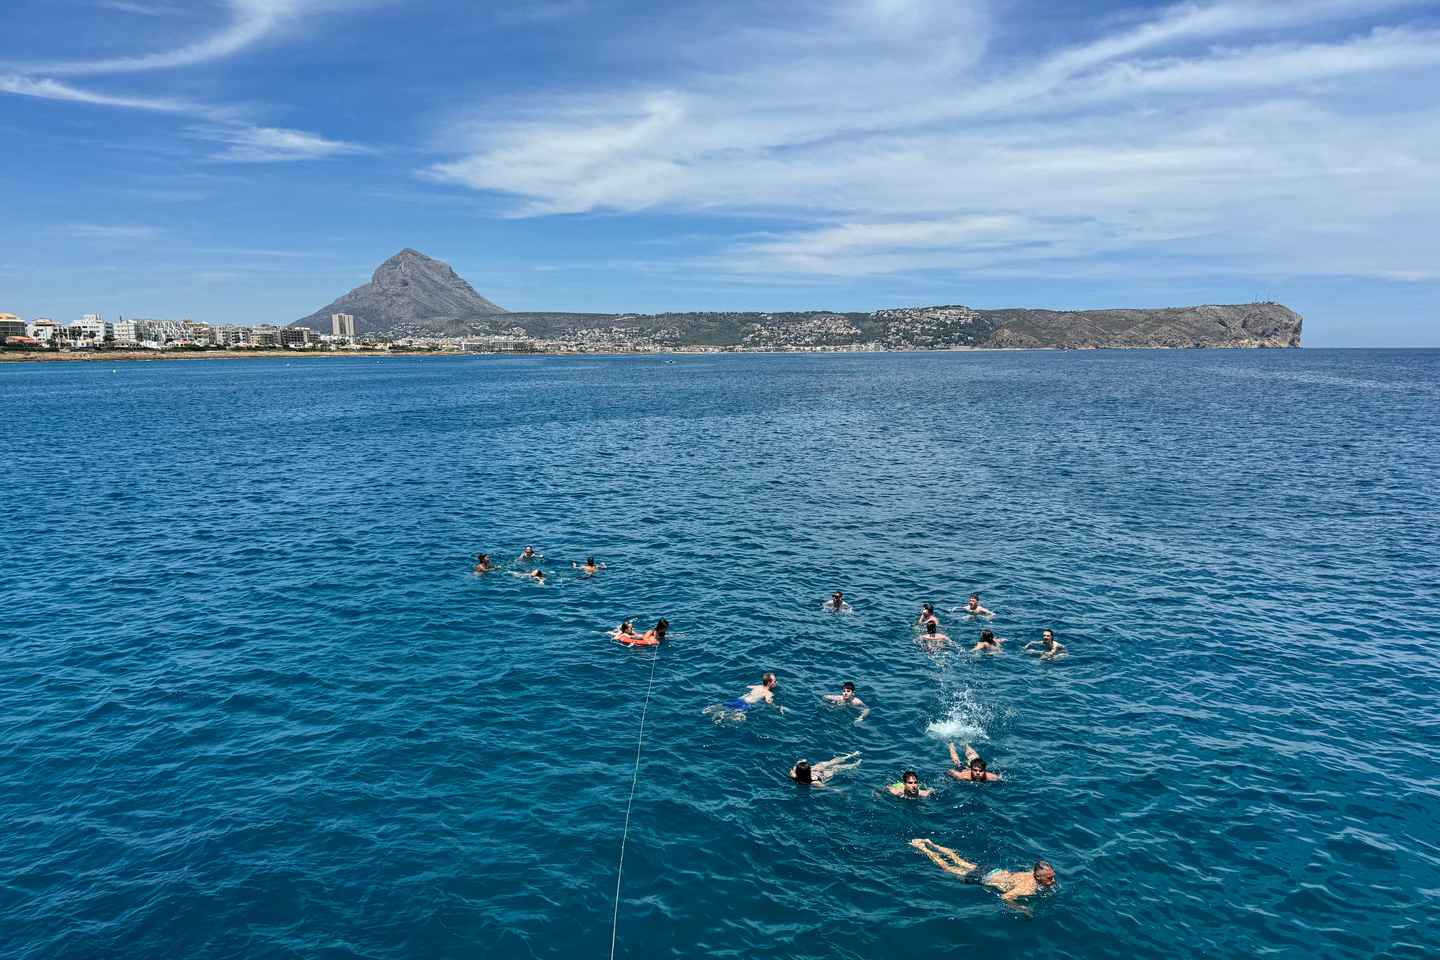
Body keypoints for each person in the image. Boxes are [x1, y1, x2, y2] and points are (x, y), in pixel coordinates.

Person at [909, 839, 1056, 902]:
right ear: (1037, 876)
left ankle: (931, 843)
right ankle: (922, 847)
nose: (1053, 880)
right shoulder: (1028, 888)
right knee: (947, 868)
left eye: (1052, 876)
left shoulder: (1031, 872)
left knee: (959, 860)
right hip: (984, 877)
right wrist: (1022, 908)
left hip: (993, 870)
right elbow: (1005, 897)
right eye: (1049, 878)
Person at [705, 672, 780, 719]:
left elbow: (748, 686)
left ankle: (710, 710)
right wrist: (777, 707)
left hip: (739, 699)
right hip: (745, 704)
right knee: (735, 717)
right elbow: (769, 702)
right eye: (775, 681)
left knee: (723, 706)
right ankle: (721, 718)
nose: (776, 682)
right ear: (769, 683)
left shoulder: (757, 686)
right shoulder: (769, 693)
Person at [790, 752, 862, 787]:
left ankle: (850, 756)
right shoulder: (814, 782)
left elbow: (796, 766)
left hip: (816, 770)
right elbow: (826, 787)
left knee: (828, 763)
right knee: (836, 768)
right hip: (824, 775)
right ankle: (854, 765)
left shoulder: (793, 774)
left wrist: (802, 762)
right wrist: (838, 791)